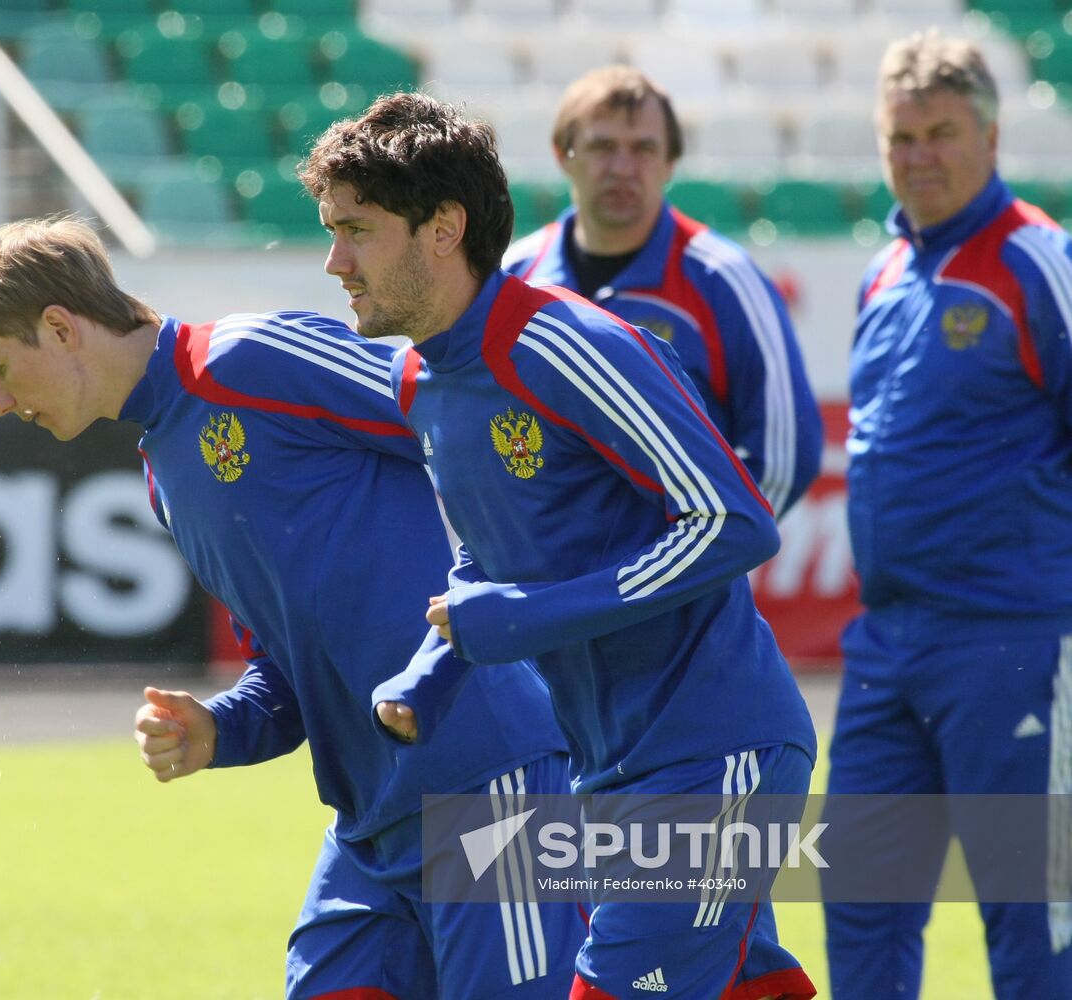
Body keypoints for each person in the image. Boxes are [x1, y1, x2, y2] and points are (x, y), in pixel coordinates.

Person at [0, 216, 586, 1000]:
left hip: (490, 784)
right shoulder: (163, 472)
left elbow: (471, 421)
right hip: (368, 825)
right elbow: (285, 671)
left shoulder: (251, 357)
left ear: (60, 327)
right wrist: (219, 728)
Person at [300, 91, 817, 1000]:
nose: (335, 261)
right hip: (603, 766)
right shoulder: (419, 377)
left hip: (711, 752)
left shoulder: (565, 345)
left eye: (357, 231)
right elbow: (487, 562)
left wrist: (528, 617)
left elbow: (736, 522)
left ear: (441, 228)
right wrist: (432, 673)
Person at [820, 31, 1072, 999]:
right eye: (900, 137)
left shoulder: (1038, 261)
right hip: (885, 648)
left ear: (992, 134)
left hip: (1012, 642)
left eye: (941, 132)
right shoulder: (884, 273)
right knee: (862, 908)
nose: (918, 155)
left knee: (1033, 924)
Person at [503, 64, 822, 518]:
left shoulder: (726, 279)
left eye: (643, 149)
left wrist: (700, 555)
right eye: (602, 146)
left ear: (671, 161)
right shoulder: (513, 277)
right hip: (550, 584)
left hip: (682, 584)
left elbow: (787, 456)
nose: (622, 168)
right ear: (562, 153)